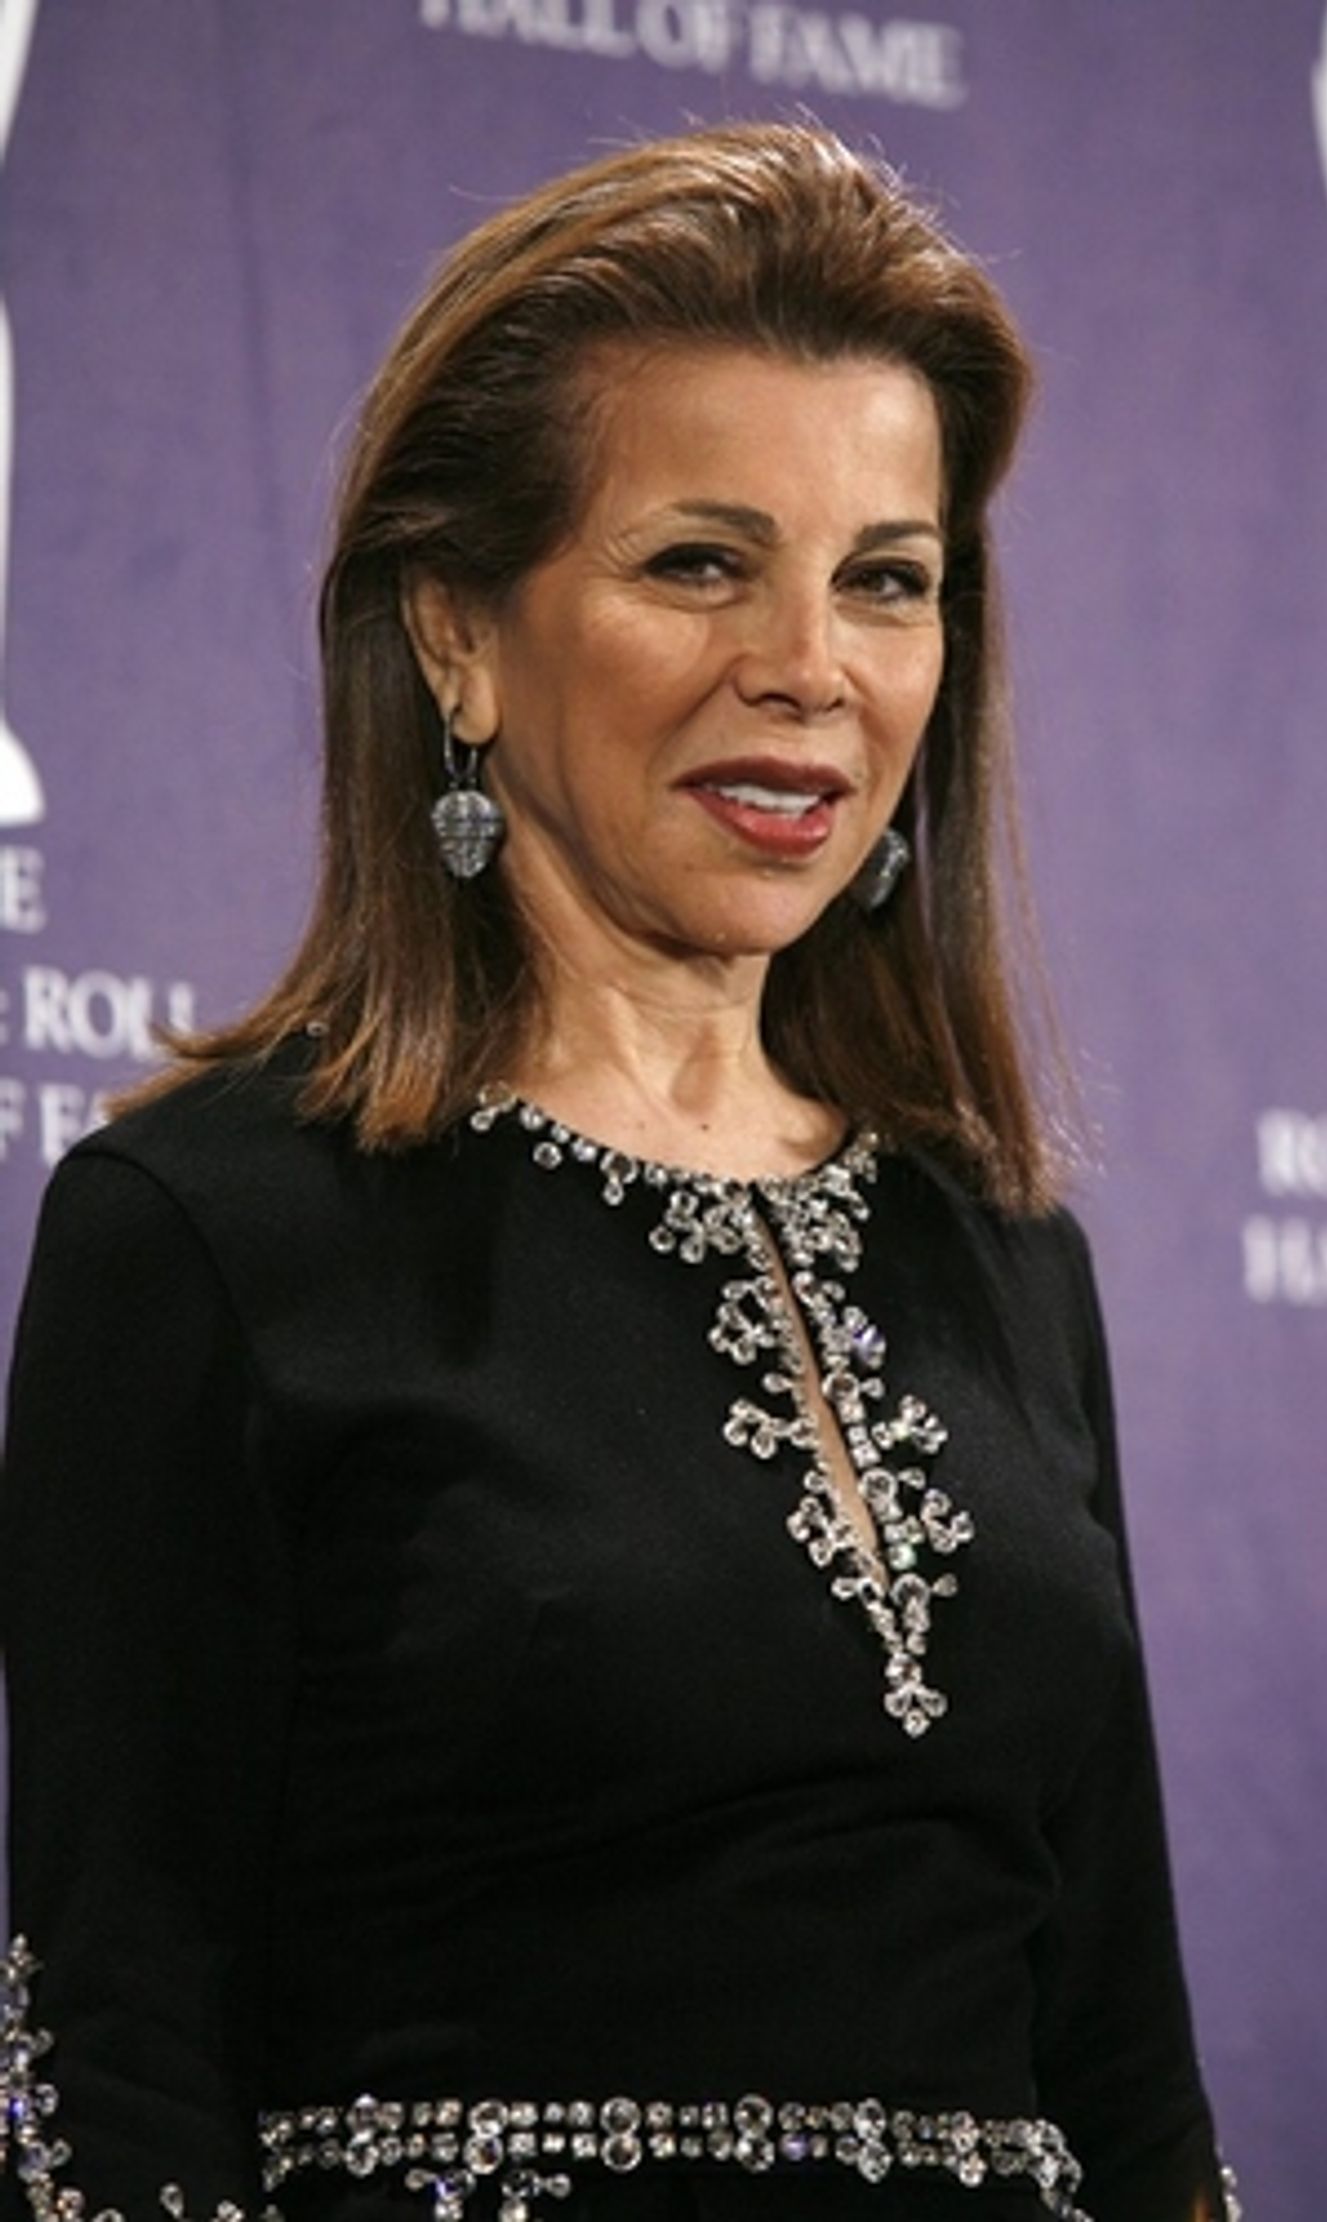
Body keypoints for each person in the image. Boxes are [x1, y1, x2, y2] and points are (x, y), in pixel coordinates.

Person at [0, 122, 1240, 2222]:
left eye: (887, 579)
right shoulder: (211, 1231)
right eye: (698, 563)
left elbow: (1124, 2062)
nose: (810, 665)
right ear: (456, 636)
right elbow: (114, 2055)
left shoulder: (1007, 1255)